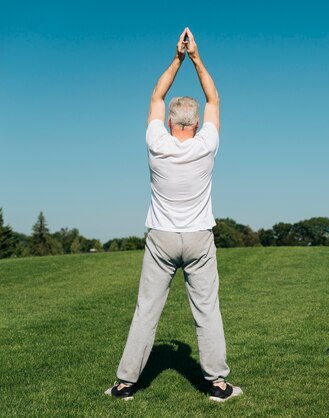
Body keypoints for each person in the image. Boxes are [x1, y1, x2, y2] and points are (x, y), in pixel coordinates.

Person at [105, 28, 242, 402]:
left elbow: (156, 95)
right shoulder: (206, 144)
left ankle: (124, 385)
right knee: (207, 312)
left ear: (170, 123)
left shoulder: (156, 143)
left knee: (146, 311)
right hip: (198, 238)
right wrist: (196, 57)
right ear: (196, 124)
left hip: (161, 238)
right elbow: (213, 97)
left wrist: (177, 59)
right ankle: (217, 384)